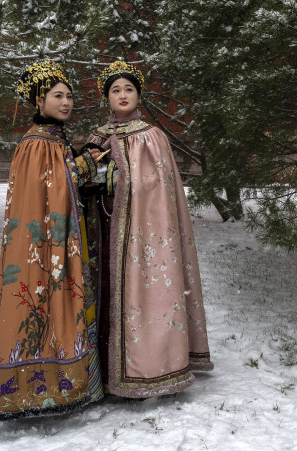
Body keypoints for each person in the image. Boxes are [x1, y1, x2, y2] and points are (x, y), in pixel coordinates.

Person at [0, 60, 103, 420]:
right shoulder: (37, 143)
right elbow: (46, 193)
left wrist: (79, 167)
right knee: (41, 303)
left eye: (69, 96)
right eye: (57, 96)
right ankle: (38, 388)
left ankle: (67, 380)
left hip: (55, 239)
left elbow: (60, 184)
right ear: (39, 100)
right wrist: (84, 166)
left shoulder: (53, 138)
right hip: (43, 245)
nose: (66, 102)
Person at [84, 60, 212, 398]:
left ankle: (150, 367)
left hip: (143, 235)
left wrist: (124, 183)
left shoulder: (151, 137)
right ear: (106, 97)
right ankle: (105, 372)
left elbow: (160, 192)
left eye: (129, 89)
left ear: (138, 95)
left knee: (145, 292)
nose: (123, 95)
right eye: (115, 90)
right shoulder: (96, 138)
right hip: (105, 231)